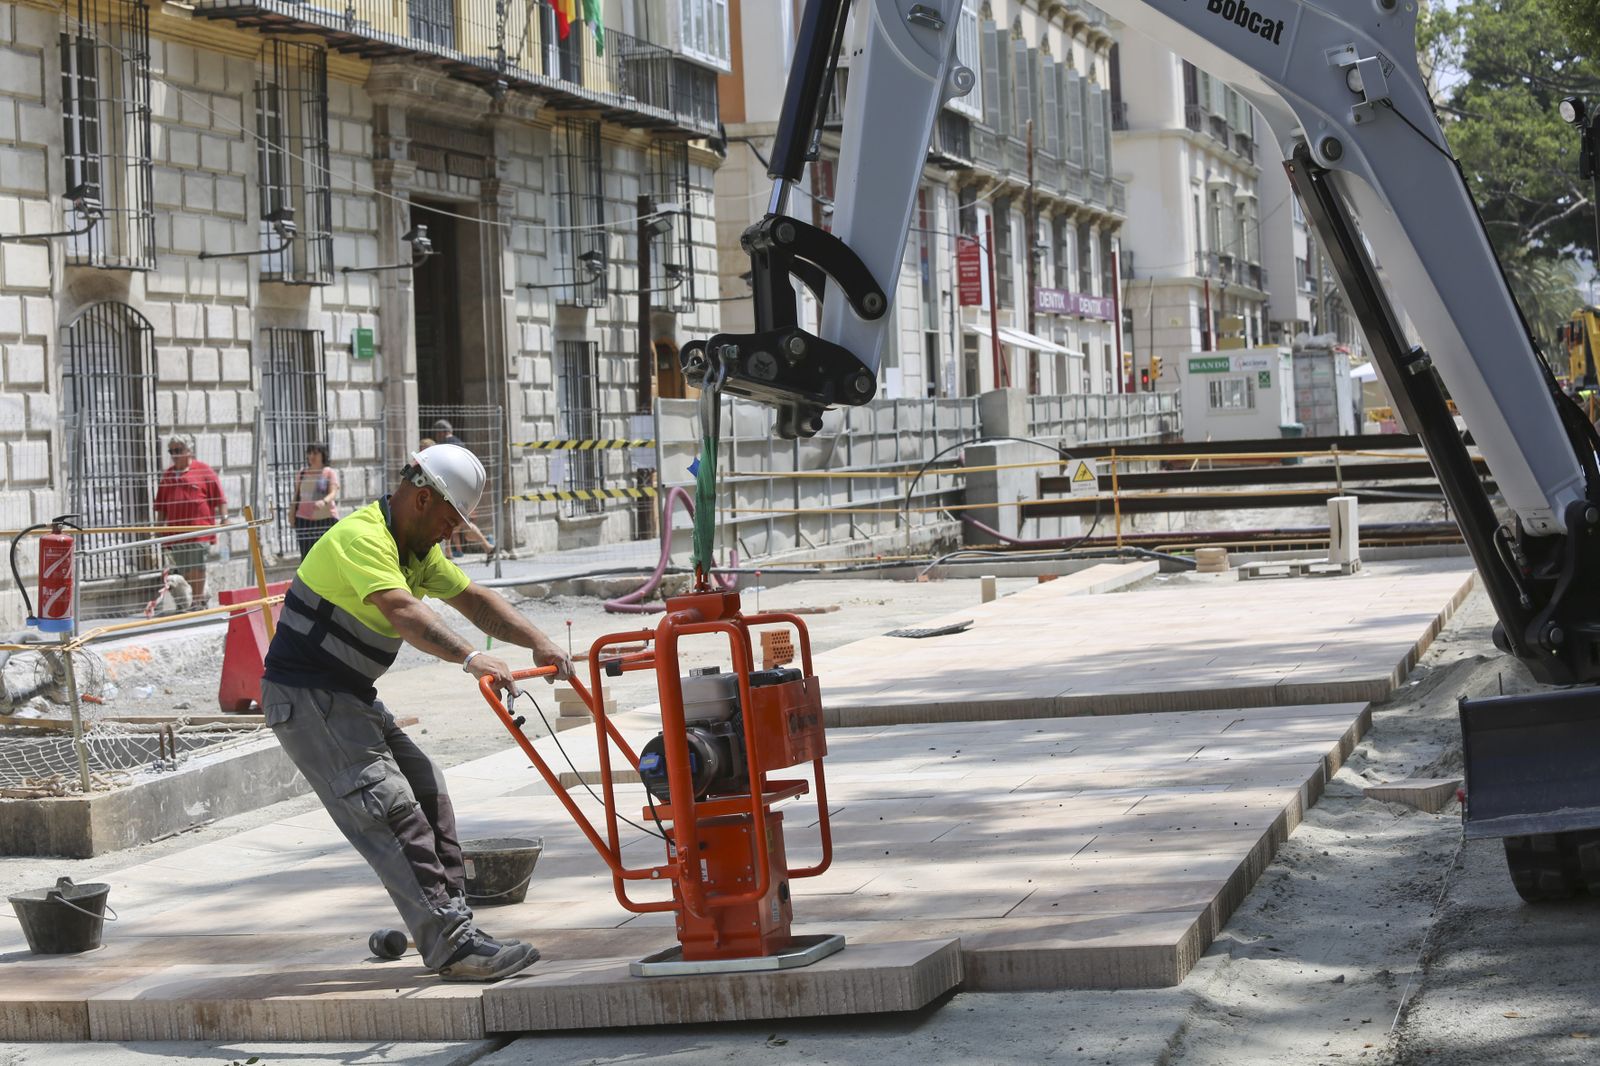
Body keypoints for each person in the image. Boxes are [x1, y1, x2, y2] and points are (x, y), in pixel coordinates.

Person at [259, 443, 572, 982]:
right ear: (423, 499)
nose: (449, 535)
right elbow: (404, 612)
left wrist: (540, 643)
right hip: (307, 697)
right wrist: (471, 657)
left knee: (426, 788)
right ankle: (451, 946)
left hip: (348, 695)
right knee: (389, 807)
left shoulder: (416, 551)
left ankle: (457, 926)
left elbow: (473, 600)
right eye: (450, 521)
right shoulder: (364, 537)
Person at [153, 436, 226, 608]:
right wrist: (158, 527)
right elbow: (161, 504)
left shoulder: (203, 470)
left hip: (199, 529)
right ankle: (199, 597)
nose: (174, 455)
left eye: (178, 451)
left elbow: (220, 497)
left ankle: (198, 600)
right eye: (171, 451)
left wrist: (224, 518)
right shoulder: (168, 475)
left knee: (197, 565)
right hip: (176, 531)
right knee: (185, 567)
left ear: (189, 451)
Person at [429, 422, 495, 560]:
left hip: (450, 490)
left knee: (459, 524)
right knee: (456, 523)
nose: (437, 436)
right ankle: (450, 552)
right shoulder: (460, 444)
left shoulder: (445, 447)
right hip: (461, 490)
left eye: (437, 434)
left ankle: (485, 545)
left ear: (441, 433)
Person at [293, 443, 341, 558]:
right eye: (309, 453)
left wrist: (323, 501)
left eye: (315, 453)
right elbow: (296, 495)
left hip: (326, 519)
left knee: (326, 555)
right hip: (304, 520)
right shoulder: (302, 473)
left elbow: (333, 492)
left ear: (322, 455)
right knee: (307, 556)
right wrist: (291, 512)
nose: (311, 456)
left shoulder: (328, 472)